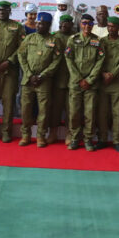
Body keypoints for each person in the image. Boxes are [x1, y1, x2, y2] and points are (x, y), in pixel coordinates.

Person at [17, 12, 63, 147]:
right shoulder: (29, 38)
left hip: (44, 81)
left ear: (48, 25)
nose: (38, 26)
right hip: (28, 80)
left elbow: (57, 60)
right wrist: (29, 74)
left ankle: (40, 136)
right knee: (26, 109)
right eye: (37, 23)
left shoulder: (54, 41)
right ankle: (25, 135)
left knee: (43, 110)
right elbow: (21, 56)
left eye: (42, 24)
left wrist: (43, 75)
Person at [0, 1, 24, 143]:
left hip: (10, 71)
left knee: (8, 102)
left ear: (9, 11)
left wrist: (9, 61)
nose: (1, 12)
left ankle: (6, 131)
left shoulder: (17, 27)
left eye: (4, 10)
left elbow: (22, 48)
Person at [65, 14, 106, 151]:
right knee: (74, 113)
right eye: (84, 23)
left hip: (91, 84)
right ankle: (75, 138)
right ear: (80, 24)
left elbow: (100, 61)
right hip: (75, 83)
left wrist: (89, 80)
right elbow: (69, 59)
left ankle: (88, 139)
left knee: (90, 113)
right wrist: (79, 79)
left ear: (93, 25)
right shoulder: (73, 39)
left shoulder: (97, 41)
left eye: (89, 23)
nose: (87, 26)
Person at [97, 16, 119, 152]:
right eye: (109, 26)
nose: (110, 29)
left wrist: (112, 74)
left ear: (118, 28)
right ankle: (102, 139)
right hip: (103, 81)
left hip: (117, 82)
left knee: (118, 112)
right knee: (102, 112)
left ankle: (117, 141)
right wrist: (104, 73)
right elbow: (97, 58)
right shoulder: (101, 42)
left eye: (113, 26)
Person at [49, 14, 74, 144]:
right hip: (57, 78)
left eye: (66, 24)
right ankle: (53, 132)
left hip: (72, 79)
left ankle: (69, 133)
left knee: (71, 109)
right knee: (55, 108)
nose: (63, 26)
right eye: (62, 24)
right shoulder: (54, 37)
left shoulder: (76, 37)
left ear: (72, 25)